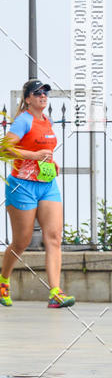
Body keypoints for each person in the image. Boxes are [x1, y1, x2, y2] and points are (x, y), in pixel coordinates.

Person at [0, 79, 75, 309]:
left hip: (46, 184)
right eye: (38, 93)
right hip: (21, 185)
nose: (43, 96)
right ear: (28, 99)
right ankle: (3, 281)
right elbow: (3, 150)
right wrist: (33, 157)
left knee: (54, 237)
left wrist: (51, 164)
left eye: (45, 93)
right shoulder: (23, 120)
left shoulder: (48, 121)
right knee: (21, 241)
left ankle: (55, 293)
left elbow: (44, 152)